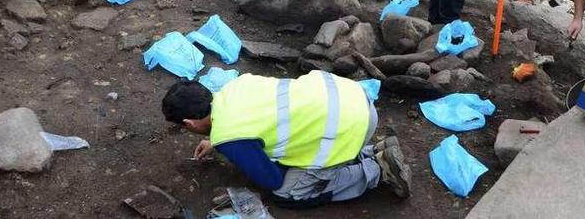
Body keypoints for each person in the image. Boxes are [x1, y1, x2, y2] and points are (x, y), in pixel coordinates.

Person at [161, 71, 411, 208]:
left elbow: (271, 178)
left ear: (189, 124)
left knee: (286, 194)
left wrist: (227, 144)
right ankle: (373, 150)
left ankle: (377, 169)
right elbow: (253, 117)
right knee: (302, 148)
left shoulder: (230, 136)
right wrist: (217, 140)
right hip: (354, 99)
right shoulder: (233, 87)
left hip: (348, 126)